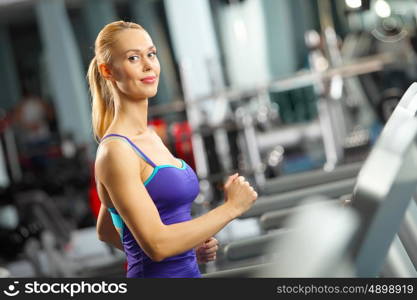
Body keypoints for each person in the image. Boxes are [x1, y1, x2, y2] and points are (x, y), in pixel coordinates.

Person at [88, 21, 258, 278]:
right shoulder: (116, 151)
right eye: (133, 57)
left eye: (151, 54)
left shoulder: (150, 137)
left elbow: (107, 229)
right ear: (108, 71)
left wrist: (186, 248)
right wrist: (231, 208)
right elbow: (157, 245)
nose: (148, 65)